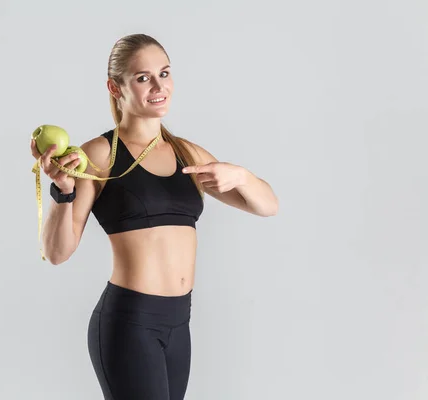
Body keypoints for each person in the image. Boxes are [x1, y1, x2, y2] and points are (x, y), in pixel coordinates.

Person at [30, 33, 278, 400]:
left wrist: (239, 175)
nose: (159, 86)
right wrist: (63, 190)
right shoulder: (99, 154)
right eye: (143, 77)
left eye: (164, 73)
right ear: (116, 88)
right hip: (130, 322)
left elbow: (267, 205)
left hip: (180, 322)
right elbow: (57, 253)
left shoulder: (186, 153)